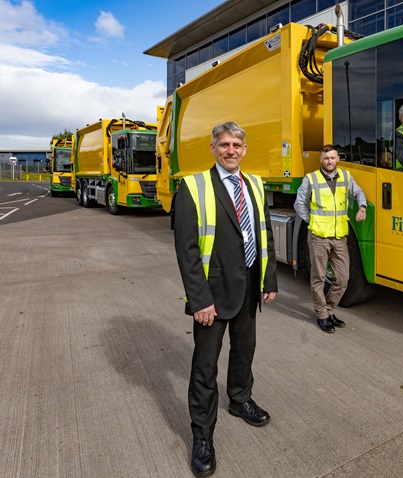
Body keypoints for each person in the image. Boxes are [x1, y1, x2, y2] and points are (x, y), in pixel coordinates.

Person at [173, 121, 278, 477]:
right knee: (205, 367)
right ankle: (203, 436)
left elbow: (264, 232)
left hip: (249, 286)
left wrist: (269, 278)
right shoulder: (193, 186)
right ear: (213, 148)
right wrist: (199, 299)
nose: (231, 150)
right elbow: (187, 251)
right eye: (224, 144)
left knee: (244, 351)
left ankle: (240, 399)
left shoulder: (255, 184)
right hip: (212, 295)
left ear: (244, 150)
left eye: (237, 145)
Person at [294, 144, 367, 333]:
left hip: (340, 236)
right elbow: (299, 204)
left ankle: (329, 309)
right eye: (326, 158)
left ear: (338, 159)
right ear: (321, 159)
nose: (330, 161)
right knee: (318, 278)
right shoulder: (310, 179)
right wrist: (313, 221)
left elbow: (359, 192)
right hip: (319, 236)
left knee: (343, 278)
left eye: (333, 158)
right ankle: (322, 315)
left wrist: (362, 207)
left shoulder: (345, 177)